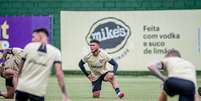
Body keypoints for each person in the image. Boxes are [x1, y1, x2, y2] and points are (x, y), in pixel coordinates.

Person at [15, 28, 70, 101]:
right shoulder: (55, 52)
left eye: (34, 37)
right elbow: (59, 73)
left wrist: (17, 83)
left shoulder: (28, 47)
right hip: (38, 91)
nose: (32, 39)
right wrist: (65, 94)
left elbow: (19, 69)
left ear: (40, 36)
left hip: (22, 88)